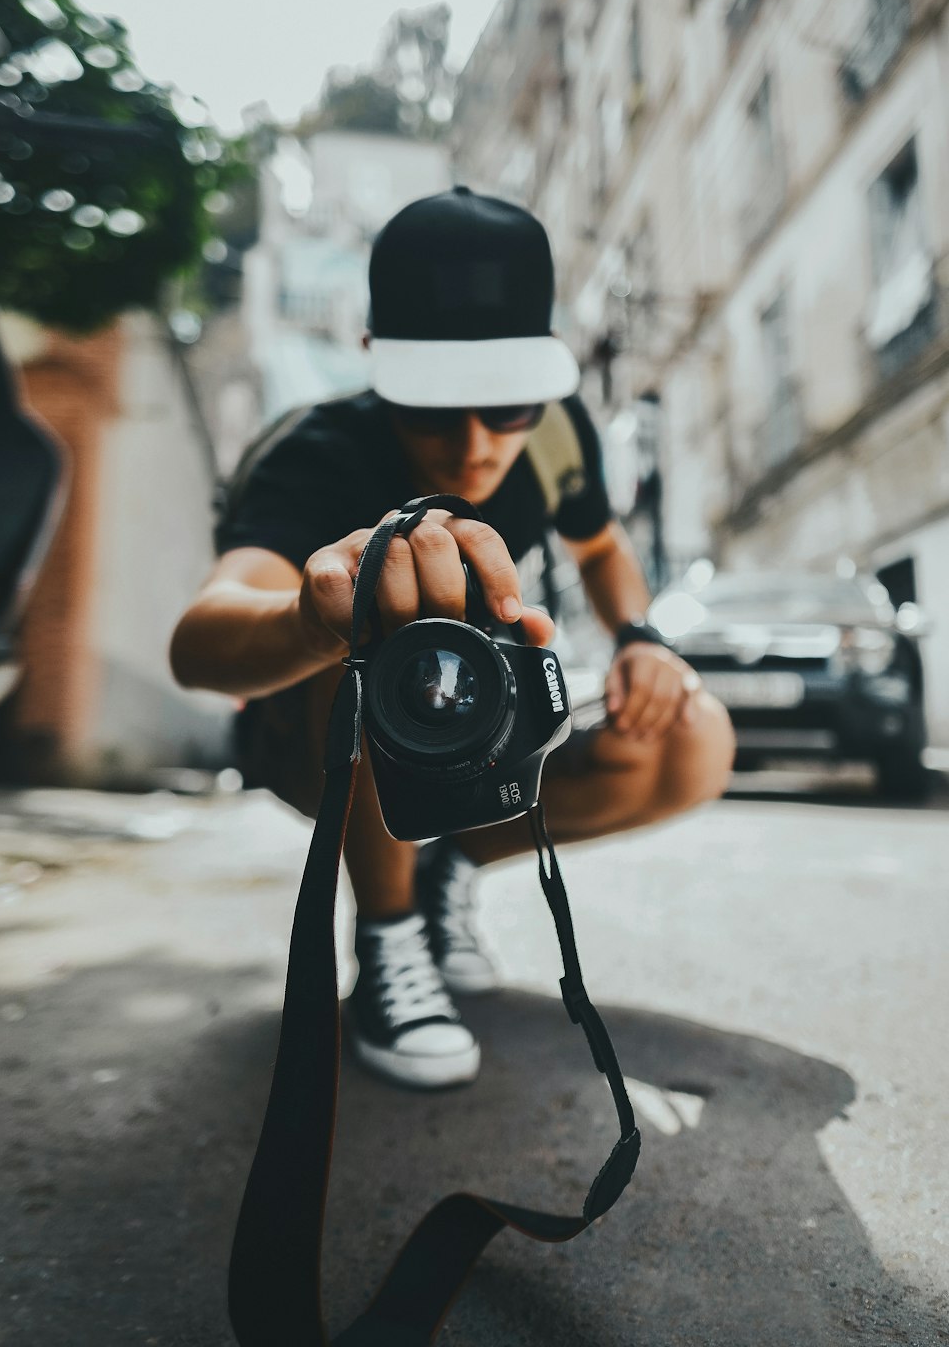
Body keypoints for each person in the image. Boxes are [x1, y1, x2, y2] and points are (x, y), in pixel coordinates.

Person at [170, 186, 735, 1092]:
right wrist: (315, 616)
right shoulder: (318, 453)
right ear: (376, 365)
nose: (475, 446)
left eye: (506, 406)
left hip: (481, 742)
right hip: (315, 747)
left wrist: (639, 636)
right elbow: (198, 643)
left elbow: (600, 545)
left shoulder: (556, 436)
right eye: (435, 406)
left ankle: (444, 874)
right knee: (370, 634)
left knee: (691, 736)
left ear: (543, 380)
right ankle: (388, 936)